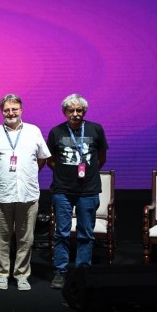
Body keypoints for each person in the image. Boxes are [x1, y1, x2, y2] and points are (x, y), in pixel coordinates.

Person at [46, 94, 108, 289]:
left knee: (86, 234)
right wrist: (65, 173)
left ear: (84, 111)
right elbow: (50, 160)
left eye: (79, 110)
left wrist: (88, 173)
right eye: (71, 110)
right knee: (61, 233)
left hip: (88, 190)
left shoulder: (95, 129)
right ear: (64, 112)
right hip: (62, 190)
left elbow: (101, 157)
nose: (75, 113)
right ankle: (60, 272)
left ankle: (82, 272)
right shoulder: (56, 131)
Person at [0, 95, 51, 291]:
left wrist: (28, 174)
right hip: (3, 193)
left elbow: (42, 158)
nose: (11, 113)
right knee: (2, 238)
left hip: (28, 193)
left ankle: (22, 275)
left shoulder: (33, 131)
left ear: (21, 109)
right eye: (7, 110)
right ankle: (2, 274)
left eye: (14, 109)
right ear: (2, 111)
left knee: (26, 238)